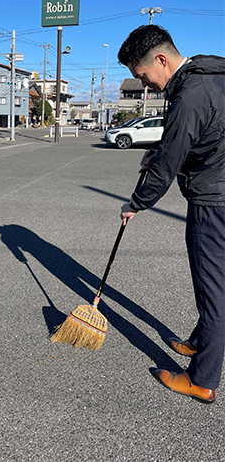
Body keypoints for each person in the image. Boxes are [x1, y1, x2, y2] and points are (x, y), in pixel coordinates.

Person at [117, 25, 225, 404]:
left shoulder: (189, 95)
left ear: (162, 60)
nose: (146, 85)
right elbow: (202, 136)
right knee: (215, 284)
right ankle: (199, 342)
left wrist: (136, 203)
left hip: (214, 202)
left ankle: (202, 379)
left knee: (213, 289)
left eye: (144, 76)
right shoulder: (212, 74)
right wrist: (160, 153)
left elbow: (165, 169)